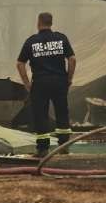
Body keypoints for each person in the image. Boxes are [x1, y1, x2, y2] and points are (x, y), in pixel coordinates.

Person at [16, 12, 76, 157]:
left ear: (38, 22)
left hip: (40, 83)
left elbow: (20, 63)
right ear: (51, 23)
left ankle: (43, 150)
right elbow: (72, 59)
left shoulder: (31, 41)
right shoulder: (61, 38)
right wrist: (68, 79)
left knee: (40, 114)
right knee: (62, 111)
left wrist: (26, 83)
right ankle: (64, 146)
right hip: (59, 81)